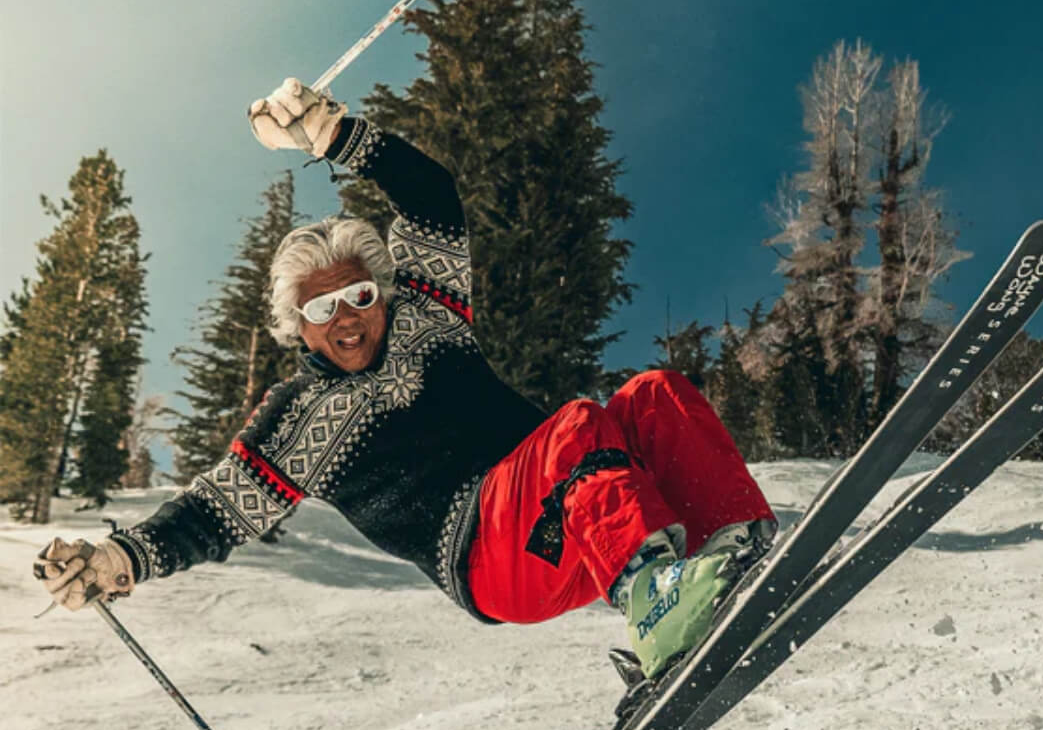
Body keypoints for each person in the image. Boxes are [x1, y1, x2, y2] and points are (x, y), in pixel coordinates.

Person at [33, 79, 776, 679]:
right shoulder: (299, 417)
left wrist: (333, 134)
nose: (347, 318)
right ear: (298, 327)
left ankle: (733, 558)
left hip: (581, 523)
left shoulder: (431, 317)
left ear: (384, 296)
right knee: (576, 424)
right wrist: (117, 560)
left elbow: (431, 198)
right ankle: (655, 602)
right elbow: (214, 511)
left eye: (360, 295)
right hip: (493, 558)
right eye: (321, 308)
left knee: (654, 395)